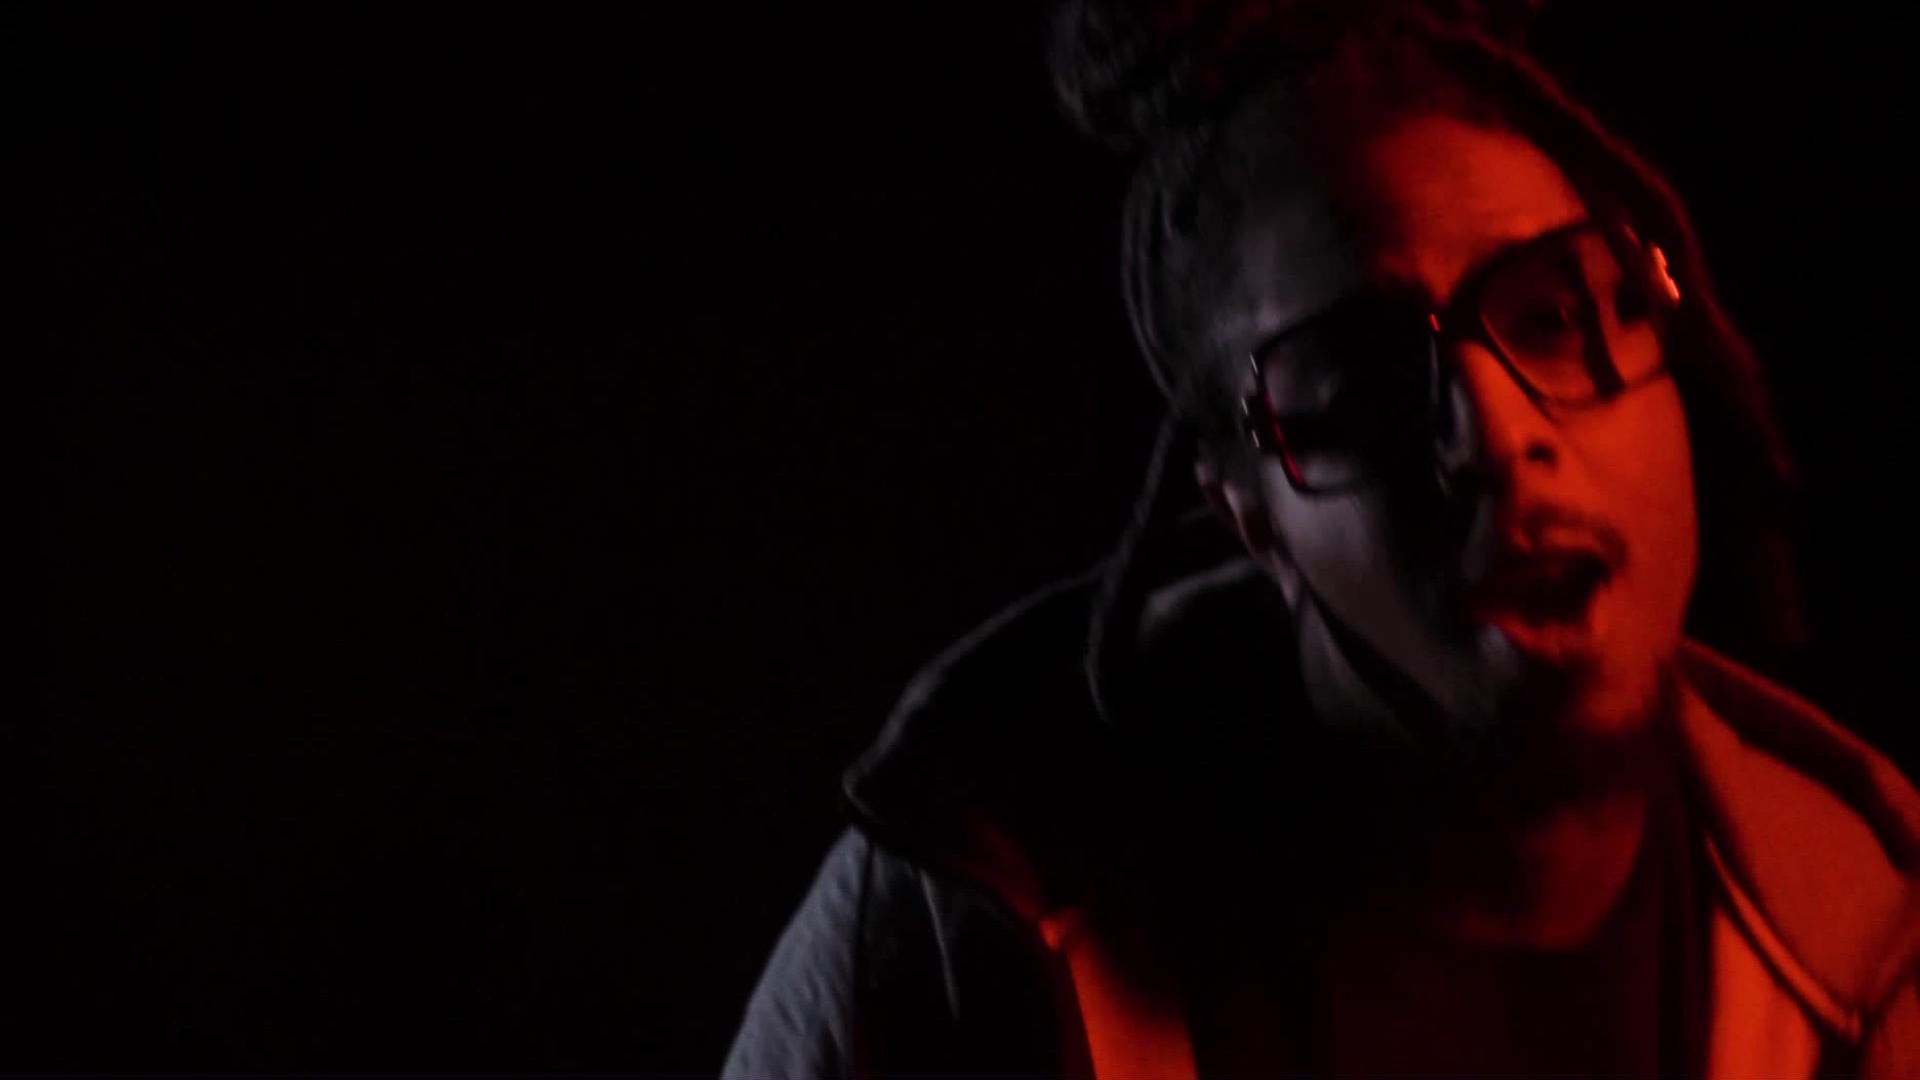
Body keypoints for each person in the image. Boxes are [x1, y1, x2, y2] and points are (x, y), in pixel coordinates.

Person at [722, 1, 1920, 1076]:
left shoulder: (1869, 937)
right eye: (1363, 383)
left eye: (1553, 316)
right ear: (1249, 515)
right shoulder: (972, 917)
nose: (1495, 435)